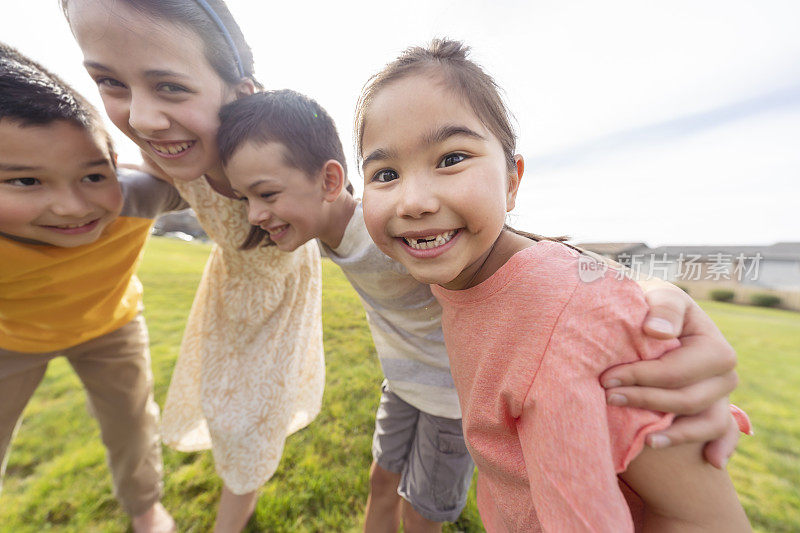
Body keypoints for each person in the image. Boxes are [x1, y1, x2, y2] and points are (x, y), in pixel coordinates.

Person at [217, 89, 748, 532]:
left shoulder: (392, 234)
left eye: (450, 159)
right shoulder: (336, 228)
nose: (254, 214)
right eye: (385, 174)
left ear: (331, 183)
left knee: (420, 507)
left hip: (452, 399)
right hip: (402, 384)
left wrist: (646, 292)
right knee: (383, 479)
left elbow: (518, 257)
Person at [357, 39, 752, 531]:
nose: (413, 201)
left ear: (511, 181)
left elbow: (702, 518)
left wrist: (628, 295)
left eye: (451, 158)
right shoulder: (460, 268)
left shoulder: (565, 322)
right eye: (386, 173)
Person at [61, 1, 325, 531]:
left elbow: (336, 206)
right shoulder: (168, 150)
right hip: (227, 296)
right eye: (111, 82)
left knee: (252, 423)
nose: (139, 117)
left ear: (241, 94)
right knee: (224, 410)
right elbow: (162, 190)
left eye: (171, 87)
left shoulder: (268, 156)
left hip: (282, 301)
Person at [0, 42, 186, 532]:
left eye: (93, 174)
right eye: (24, 181)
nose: (73, 206)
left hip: (111, 326)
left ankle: (145, 510)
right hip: (9, 341)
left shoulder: (136, 197)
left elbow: (203, 169)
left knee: (132, 425)